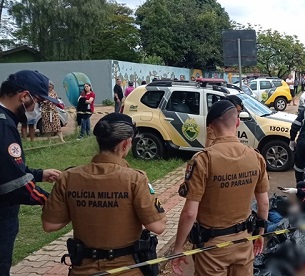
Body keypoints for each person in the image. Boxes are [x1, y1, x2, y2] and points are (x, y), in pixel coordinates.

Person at [41, 113, 166, 275]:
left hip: (82, 270)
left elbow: (50, 225)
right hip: (126, 270)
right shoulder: (135, 179)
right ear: (125, 143)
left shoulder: (68, 177)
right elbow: (158, 226)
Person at [171, 100, 269, 276]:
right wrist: (259, 234)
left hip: (212, 250)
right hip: (244, 243)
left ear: (210, 127)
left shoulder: (203, 160)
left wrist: (178, 248)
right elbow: (264, 204)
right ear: (237, 122)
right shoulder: (256, 157)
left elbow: (189, 213)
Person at [0, 70, 61, 275]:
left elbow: (7, 167)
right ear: (24, 96)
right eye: (38, 102)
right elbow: (13, 182)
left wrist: (39, 174)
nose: (37, 109)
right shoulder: (3, 126)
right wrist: (51, 200)